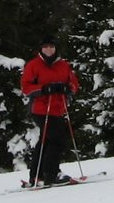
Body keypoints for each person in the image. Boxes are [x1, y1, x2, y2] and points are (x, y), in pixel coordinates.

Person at [20, 38, 80, 186]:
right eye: (45, 47)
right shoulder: (34, 65)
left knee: (46, 141)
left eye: (51, 47)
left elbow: (73, 83)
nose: (49, 50)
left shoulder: (63, 64)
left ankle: (37, 176)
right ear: (41, 49)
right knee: (57, 139)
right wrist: (44, 89)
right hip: (40, 108)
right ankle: (51, 174)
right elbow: (26, 87)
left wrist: (67, 88)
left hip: (57, 108)